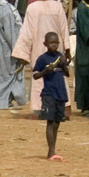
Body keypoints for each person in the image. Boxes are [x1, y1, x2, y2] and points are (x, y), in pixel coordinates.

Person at [13, 0, 69, 115]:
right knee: (59, 74)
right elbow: (64, 29)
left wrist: (22, 54)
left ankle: (40, 108)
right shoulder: (58, 6)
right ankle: (63, 107)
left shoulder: (32, 8)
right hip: (57, 47)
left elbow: (27, 32)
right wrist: (67, 48)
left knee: (39, 76)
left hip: (39, 47)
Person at [33, 32, 70, 161]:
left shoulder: (60, 57)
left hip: (60, 94)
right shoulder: (43, 59)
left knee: (57, 123)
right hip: (49, 94)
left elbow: (67, 74)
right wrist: (46, 71)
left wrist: (64, 64)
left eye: (56, 43)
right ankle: (51, 151)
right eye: (51, 43)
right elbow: (35, 75)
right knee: (50, 122)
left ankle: (53, 150)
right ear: (45, 44)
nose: (54, 45)